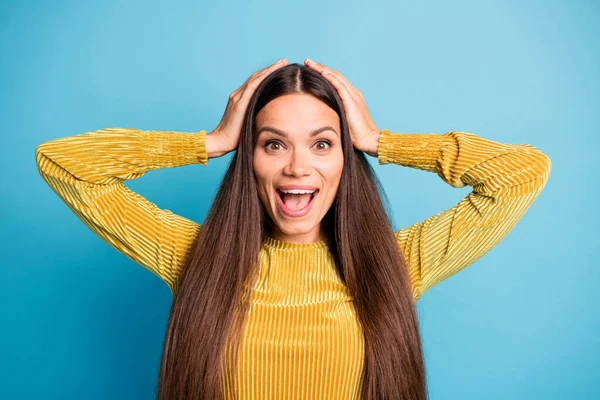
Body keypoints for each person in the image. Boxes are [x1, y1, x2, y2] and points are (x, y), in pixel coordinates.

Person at [35, 58, 551, 400]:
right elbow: (62, 163)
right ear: (250, 158)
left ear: (345, 159)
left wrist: (380, 140)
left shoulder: (396, 263)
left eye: (323, 144)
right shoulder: (196, 257)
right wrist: (211, 141)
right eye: (274, 144)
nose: (298, 168)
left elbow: (521, 175)